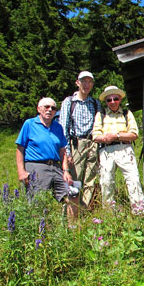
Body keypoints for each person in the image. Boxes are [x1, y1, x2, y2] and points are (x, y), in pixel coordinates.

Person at [15, 97, 76, 221]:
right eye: (46, 107)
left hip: (55, 166)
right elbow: (20, 149)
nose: (50, 110)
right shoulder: (29, 124)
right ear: (39, 109)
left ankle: (72, 228)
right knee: (37, 199)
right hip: (36, 166)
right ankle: (39, 230)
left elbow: (62, 150)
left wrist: (66, 171)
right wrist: (21, 171)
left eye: (53, 108)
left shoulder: (57, 127)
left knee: (73, 194)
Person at [92, 86, 144, 213]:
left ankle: (139, 211)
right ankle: (109, 213)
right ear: (105, 101)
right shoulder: (101, 115)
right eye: (109, 100)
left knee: (133, 179)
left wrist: (115, 136)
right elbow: (95, 136)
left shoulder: (127, 114)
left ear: (120, 99)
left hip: (125, 149)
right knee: (106, 181)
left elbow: (134, 134)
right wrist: (109, 137)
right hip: (106, 151)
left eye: (115, 98)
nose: (112, 102)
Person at [59, 70, 100, 209]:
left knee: (90, 179)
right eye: (83, 81)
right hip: (76, 143)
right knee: (74, 180)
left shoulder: (95, 103)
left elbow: (98, 125)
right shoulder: (69, 102)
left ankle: (84, 210)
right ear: (77, 83)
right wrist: (67, 153)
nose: (86, 84)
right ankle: (72, 213)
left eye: (89, 81)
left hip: (93, 143)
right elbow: (63, 128)